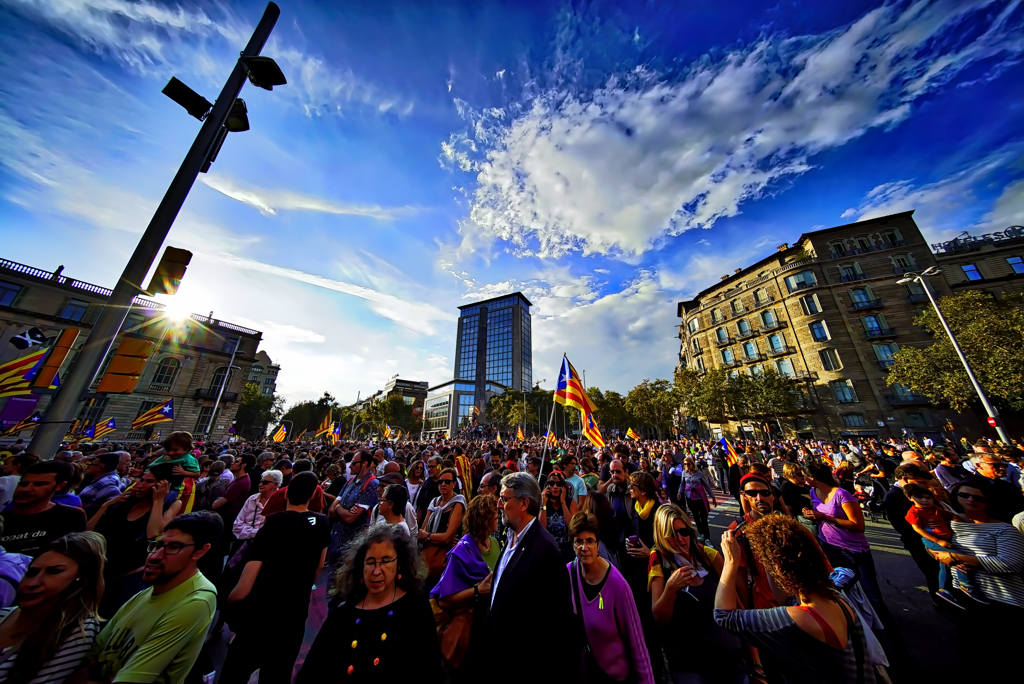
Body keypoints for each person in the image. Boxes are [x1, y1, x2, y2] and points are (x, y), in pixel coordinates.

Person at [714, 516, 878, 684]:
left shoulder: (795, 618)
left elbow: (724, 616)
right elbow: (785, 598)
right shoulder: (837, 599)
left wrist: (730, 561)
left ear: (777, 570)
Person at [81, 511, 222, 684]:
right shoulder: (152, 590)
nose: (155, 556)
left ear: (200, 551)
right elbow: (93, 652)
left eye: (173, 547)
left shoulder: (196, 601)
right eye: (157, 545)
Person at [297, 523, 444, 683]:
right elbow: (311, 673)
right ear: (361, 566)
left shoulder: (416, 609)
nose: (376, 571)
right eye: (371, 562)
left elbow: (431, 672)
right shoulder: (343, 616)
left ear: (399, 564)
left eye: (386, 560)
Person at [221, 472, 330, 684]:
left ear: (286, 493)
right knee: (277, 674)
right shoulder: (322, 523)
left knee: (234, 674)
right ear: (311, 496)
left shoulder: (271, 524)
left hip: (259, 615)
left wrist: (230, 603)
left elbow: (245, 583)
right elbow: (318, 566)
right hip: (294, 615)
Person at [483, 473, 574, 683]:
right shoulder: (511, 536)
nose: (498, 505)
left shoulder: (544, 549)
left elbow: (556, 624)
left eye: (505, 499)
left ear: (524, 503)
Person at [648, 504, 743, 683]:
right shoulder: (658, 561)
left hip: (729, 658)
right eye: (671, 534)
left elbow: (737, 606)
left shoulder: (709, 555)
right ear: (662, 536)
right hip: (690, 665)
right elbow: (659, 618)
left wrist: (755, 660)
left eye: (683, 532)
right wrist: (671, 588)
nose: (680, 539)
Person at [801, 463, 894, 634]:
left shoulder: (841, 494)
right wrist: (813, 515)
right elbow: (820, 515)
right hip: (828, 543)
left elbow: (858, 525)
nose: (804, 480)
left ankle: (884, 630)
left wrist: (824, 516)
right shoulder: (813, 492)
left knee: (869, 589)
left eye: (805, 476)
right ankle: (855, 621)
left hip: (852, 548)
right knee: (840, 586)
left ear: (813, 477)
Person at [0, 532, 105, 683]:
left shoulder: (76, 630)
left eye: (54, 572)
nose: (33, 582)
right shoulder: (3, 614)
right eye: (32, 572)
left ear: (81, 580)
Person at [568, 512, 653, 684]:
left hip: (614, 677)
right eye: (578, 541)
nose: (584, 547)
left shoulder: (617, 585)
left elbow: (637, 644)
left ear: (599, 544)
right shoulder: (568, 573)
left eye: (590, 541)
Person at [88, 467, 178, 616]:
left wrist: (158, 500)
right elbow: (89, 531)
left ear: (162, 485)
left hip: (127, 576)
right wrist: (105, 506)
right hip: (97, 569)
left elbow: (153, 532)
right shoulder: (123, 502)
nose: (141, 484)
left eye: (149, 481)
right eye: (142, 479)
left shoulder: (172, 505)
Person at [430, 494, 499, 677]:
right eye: (495, 515)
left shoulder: (495, 544)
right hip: (468, 629)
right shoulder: (461, 551)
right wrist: (477, 591)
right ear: (484, 518)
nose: (499, 517)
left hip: (489, 625)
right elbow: (444, 600)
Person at [902, 481, 979, 606]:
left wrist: (958, 521)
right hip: (932, 541)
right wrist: (938, 541)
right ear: (910, 498)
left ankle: (944, 589)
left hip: (945, 539)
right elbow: (917, 529)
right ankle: (965, 584)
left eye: (928, 498)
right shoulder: (914, 512)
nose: (925, 500)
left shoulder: (935, 508)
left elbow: (950, 515)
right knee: (957, 557)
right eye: (920, 498)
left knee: (945, 565)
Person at [1, 461, 87, 557]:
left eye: (39, 484)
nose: (26, 489)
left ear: (60, 486)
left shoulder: (70, 516)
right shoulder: (3, 517)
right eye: (24, 484)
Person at [329, 450, 379, 566]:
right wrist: (340, 509)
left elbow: (351, 518)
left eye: (354, 463)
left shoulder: (372, 484)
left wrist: (338, 507)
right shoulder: (350, 482)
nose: (350, 466)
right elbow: (331, 510)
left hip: (352, 546)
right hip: (336, 541)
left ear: (364, 464)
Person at [418, 467, 466, 581]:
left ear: (454, 483)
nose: (443, 484)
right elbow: (420, 535)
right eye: (440, 481)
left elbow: (447, 537)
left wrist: (428, 536)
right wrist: (441, 538)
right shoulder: (434, 502)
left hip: (445, 562)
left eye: (447, 482)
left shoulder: (458, 502)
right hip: (427, 561)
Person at [968, 452, 1024, 522]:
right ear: (979, 465)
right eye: (995, 465)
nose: (1002, 468)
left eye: (1004, 465)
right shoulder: (970, 487)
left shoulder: (1006, 485)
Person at [539, 469, 577, 562]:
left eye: (558, 484)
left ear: (563, 487)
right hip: (549, 550)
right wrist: (543, 503)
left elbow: (572, 527)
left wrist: (563, 502)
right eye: (551, 484)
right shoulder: (542, 504)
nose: (555, 487)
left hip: (567, 550)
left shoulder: (570, 502)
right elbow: (541, 528)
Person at [678, 457, 717, 544]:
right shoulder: (684, 473)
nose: (687, 466)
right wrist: (679, 492)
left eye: (688, 464)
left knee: (703, 518)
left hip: (700, 497)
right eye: (685, 464)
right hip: (690, 497)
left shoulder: (699, 473)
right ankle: (701, 532)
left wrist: (713, 496)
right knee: (696, 516)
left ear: (692, 464)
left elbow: (706, 485)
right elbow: (682, 484)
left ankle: (707, 537)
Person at [78, 453, 124, 517]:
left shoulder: (107, 482)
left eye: (91, 464)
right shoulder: (109, 478)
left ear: (100, 467)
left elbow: (114, 504)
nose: (87, 466)